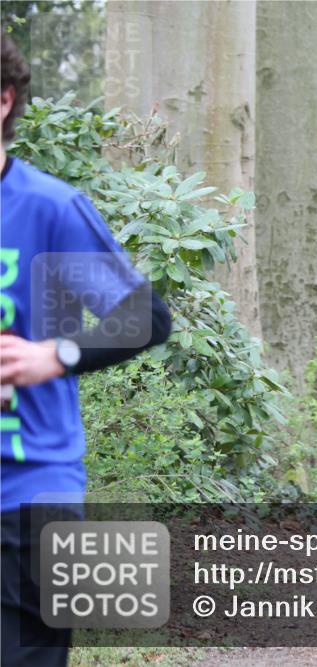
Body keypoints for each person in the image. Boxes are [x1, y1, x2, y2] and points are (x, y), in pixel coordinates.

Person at [1, 34, 172, 666]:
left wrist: (55, 355)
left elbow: (145, 317)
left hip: (29, 494)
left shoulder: (48, 209)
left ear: (4, 100)